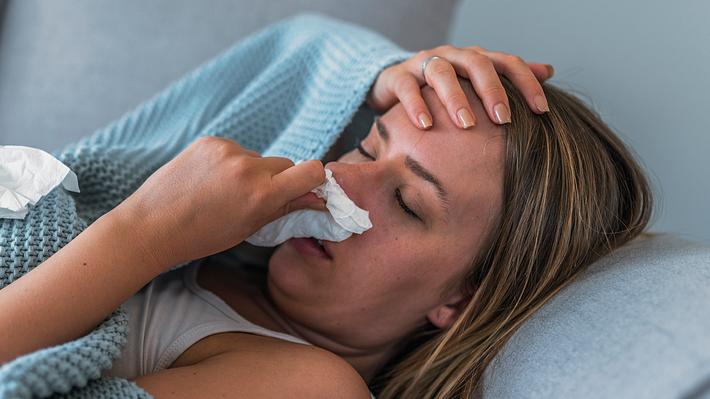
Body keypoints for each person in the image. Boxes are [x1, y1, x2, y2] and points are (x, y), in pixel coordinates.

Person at [0, 43, 651, 398]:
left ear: (462, 296)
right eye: (368, 145)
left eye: (406, 202)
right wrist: (377, 72)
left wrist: (148, 232)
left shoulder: (309, 385)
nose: (338, 179)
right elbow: (297, 53)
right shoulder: (225, 254)